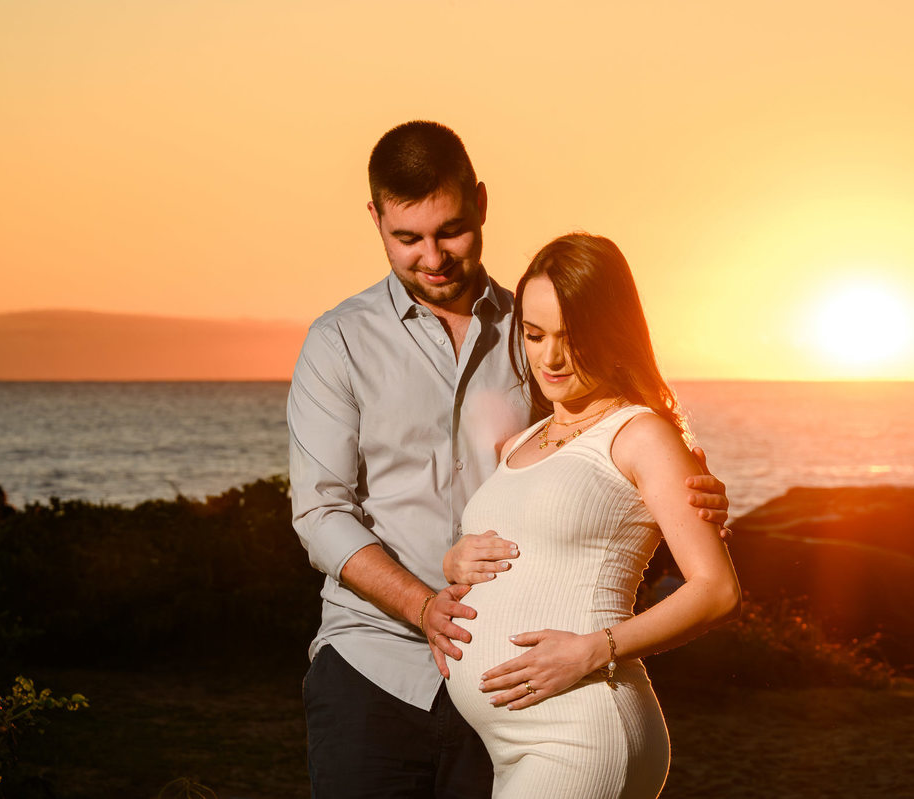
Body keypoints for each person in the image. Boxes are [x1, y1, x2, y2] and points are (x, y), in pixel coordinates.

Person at [288, 121, 731, 798]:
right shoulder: (338, 342)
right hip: (371, 670)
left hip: (522, 697)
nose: (432, 257)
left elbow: (597, 461)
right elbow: (320, 512)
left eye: (451, 231)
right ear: (376, 219)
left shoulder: (537, 325)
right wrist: (426, 599)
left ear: (483, 203)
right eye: (407, 237)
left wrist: (688, 490)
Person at [440, 233, 741, 797]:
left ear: (612, 333)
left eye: (571, 338)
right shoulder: (524, 440)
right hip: (511, 748)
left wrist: (590, 650)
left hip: (582, 730)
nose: (550, 358)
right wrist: (455, 559)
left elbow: (718, 591)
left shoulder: (640, 434)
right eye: (534, 335)